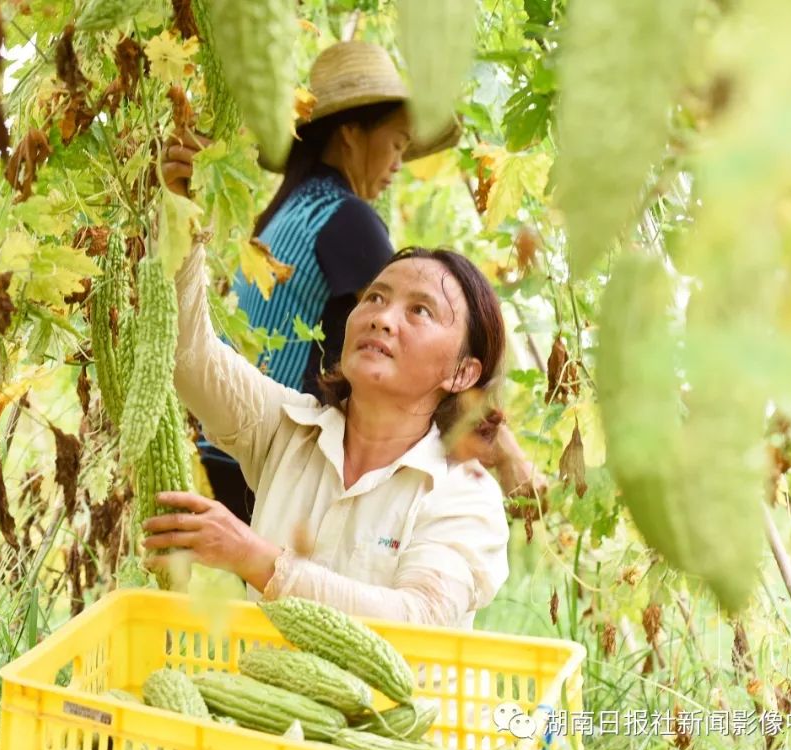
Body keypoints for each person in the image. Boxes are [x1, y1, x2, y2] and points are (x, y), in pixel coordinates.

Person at [140, 239, 537, 628]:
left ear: (462, 373)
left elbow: (418, 619)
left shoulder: (463, 494)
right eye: (375, 297)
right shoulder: (285, 427)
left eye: (420, 310)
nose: (382, 318)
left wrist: (254, 558)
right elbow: (187, 355)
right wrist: (184, 223)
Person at [162, 40, 461, 526]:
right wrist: (493, 446)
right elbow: (416, 351)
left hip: (229, 447)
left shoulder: (287, 210)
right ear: (351, 133)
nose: (397, 163)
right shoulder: (345, 217)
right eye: (397, 143)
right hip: (274, 458)